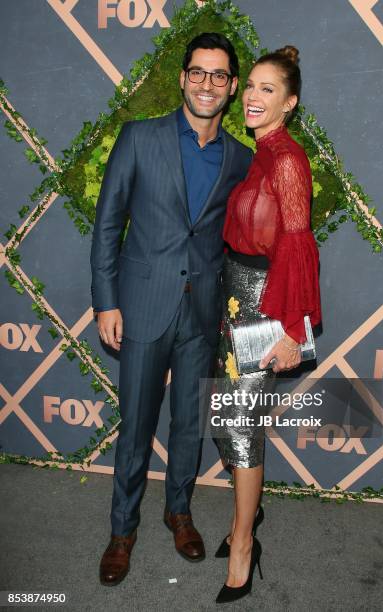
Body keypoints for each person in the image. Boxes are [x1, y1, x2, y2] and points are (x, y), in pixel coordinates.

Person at [90, 32, 253, 586]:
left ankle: (178, 511)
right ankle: (121, 530)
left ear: (231, 89)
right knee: (135, 423)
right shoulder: (139, 138)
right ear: (184, 77)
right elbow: (108, 224)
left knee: (189, 422)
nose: (207, 83)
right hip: (141, 304)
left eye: (219, 76)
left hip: (202, 311)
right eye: (198, 72)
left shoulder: (241, 158)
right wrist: (106, 301)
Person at [212, 46, 322, 603]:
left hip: (264, 304)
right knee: (224, 420)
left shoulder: (285, 160)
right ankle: (243, 523)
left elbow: (298, 248)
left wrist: (290, 332)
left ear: (291, 102)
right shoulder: (260, 151)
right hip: (234, 302)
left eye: (267, 89)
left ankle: (242, 548)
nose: (253, 96)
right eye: (250, 86)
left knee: (238, 426)